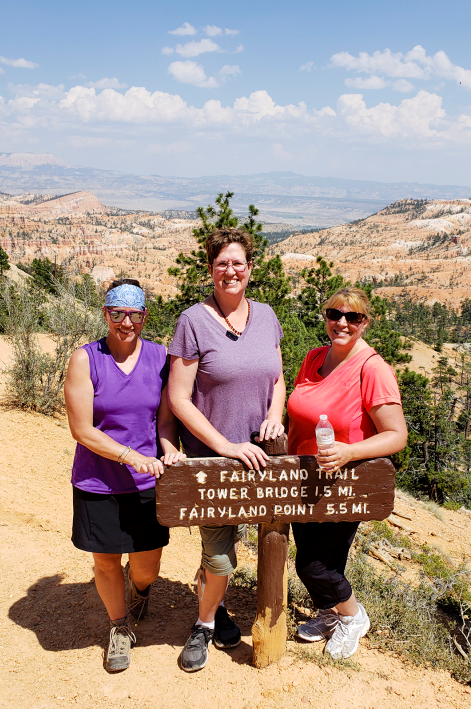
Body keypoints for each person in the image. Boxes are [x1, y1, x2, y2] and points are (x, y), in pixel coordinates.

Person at [168, 227, 286, 672]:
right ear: (210, 270)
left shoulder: (267, 316)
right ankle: (203, 623)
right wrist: (225, 446)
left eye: (238, 263)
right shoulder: (192, 322)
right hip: (214, 460)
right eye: (222, 264)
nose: (230, 271)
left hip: (261, 458)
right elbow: (179, 398)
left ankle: (212, 603)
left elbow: (277, 378)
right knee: (220, 554)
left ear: (250, 269)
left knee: (254, 541)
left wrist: (276, 414)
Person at [64, 279, 184, 673]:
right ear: (105, 314)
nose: (125, 322)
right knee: (106, 562)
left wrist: (168, 448)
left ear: (145, 316)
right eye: (117, 313)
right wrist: (130, 456)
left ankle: (140, 589)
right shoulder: (86, 359)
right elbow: (82, 430)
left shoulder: (159, 358)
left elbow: (164, 420)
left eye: (134, 314)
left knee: (147, 566)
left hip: (148, 482)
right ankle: (119, 627)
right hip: (98, 480)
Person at [286, 286, 407, 660]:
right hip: (303, 476)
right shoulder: (314, 357)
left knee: (313, 563)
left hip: (344, 483)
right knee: (320, 557)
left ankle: (353, 617)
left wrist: (349, 451)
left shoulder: (373, 369)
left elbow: (396, 435)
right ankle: (328, 614)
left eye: (352, 317)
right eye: (334, 314)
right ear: (325, 316)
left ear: (365, 323)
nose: (342, 323)